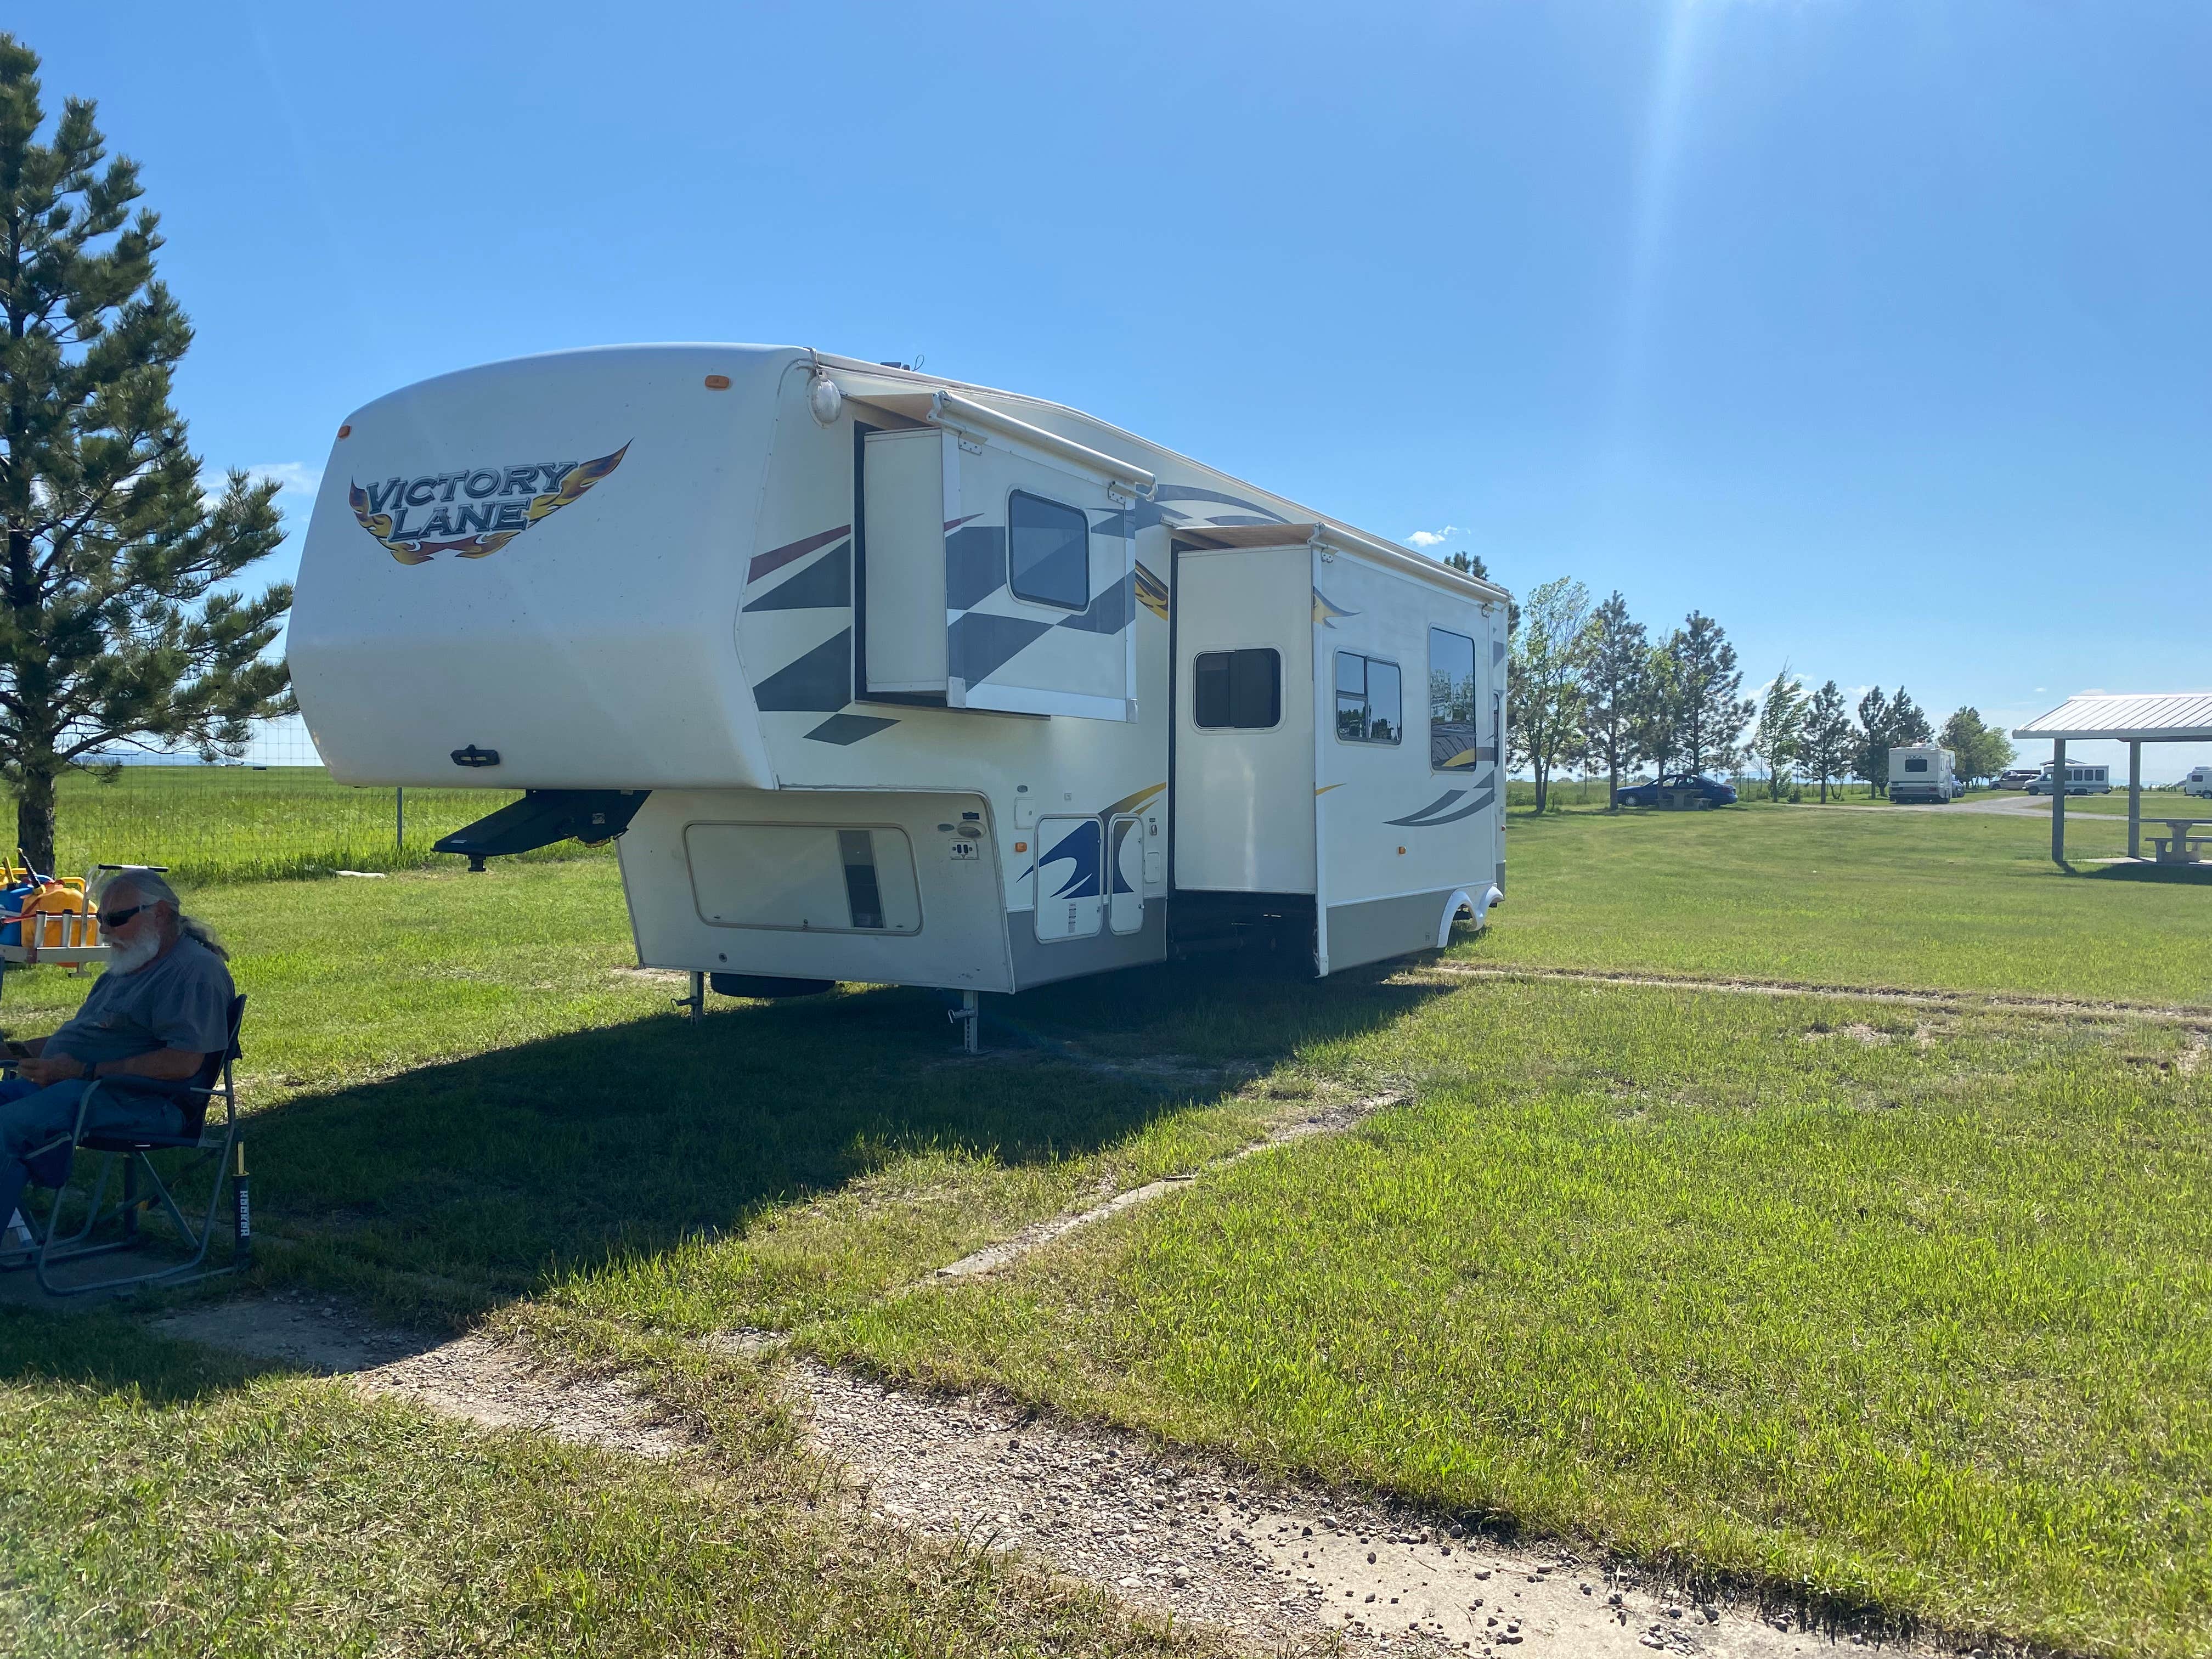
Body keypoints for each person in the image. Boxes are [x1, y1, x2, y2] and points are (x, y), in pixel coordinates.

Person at [0, 872, 234, 1253]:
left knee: (8, 1128)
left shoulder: (193, 972)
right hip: (84, 1087)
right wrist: (15, 1051)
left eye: (117, 919)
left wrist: (83, 1072)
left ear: (160, 913)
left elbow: (183, 1063)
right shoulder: (131, 961)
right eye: (100, 919)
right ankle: (17, 1231)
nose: (105, 930)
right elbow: (89, 1036)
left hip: (147, 1103)